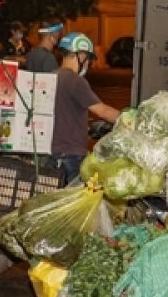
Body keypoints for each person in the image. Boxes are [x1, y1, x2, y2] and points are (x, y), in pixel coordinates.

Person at [51, 32, 119, 186]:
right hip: (70, 156)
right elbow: (103, 112)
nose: (87, 63)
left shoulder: (53, 75)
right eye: (87, 58)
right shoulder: (75, 81)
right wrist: (131, 119)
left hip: (54, 154)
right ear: (80, 55)